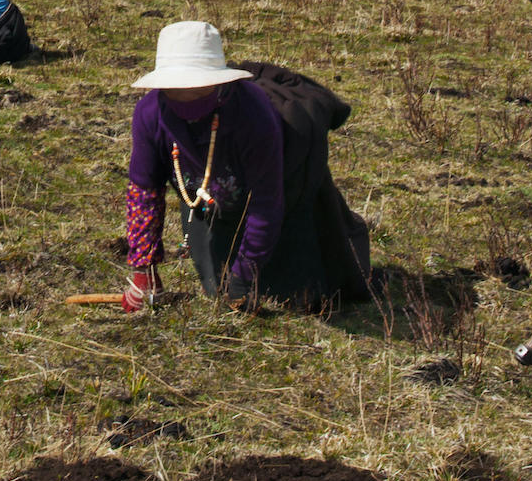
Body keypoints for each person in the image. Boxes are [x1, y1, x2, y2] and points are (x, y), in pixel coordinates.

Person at [117, 21, 371, 314]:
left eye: (196, 88)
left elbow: (267, 202)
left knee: (301, 297)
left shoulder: (253, 115)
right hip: (208, 199)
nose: (186, 98)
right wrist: (143, 271)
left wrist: (245, 273)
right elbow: (144, 194)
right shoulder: (149, 115)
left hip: (282, 195)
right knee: (216, 290)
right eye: (176, 89)